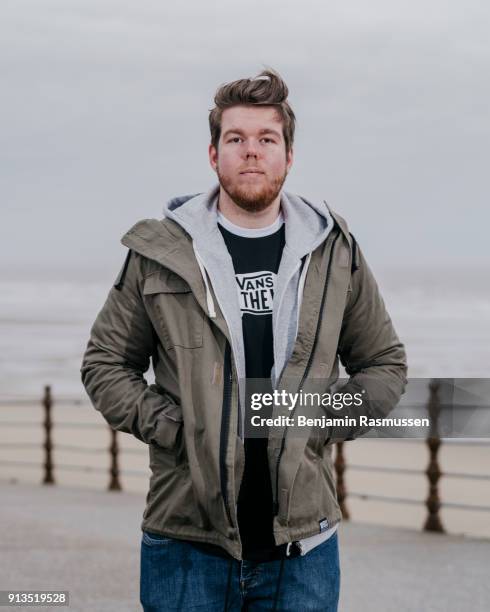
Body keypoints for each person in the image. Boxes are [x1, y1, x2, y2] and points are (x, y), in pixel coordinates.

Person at [81, 68, 407, 612]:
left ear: (288, 155)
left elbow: (384, 365)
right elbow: (105, 364)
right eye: (235, 139)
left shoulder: (334, 252)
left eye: (266, 139)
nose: (251, 152)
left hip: (303, 550)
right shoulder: (160, 252)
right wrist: (174, 427)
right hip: (185, 541)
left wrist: (319, 422)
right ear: (214, 155)